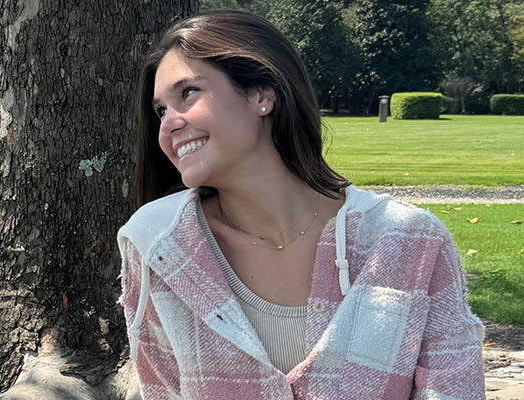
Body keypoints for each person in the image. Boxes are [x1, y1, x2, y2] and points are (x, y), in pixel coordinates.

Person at [119, 11, 485, 399]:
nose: (168, 125)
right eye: (160, 110)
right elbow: (162, 391)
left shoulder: (411, 243)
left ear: (262, 95)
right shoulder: (158, 245)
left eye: (188, 92)